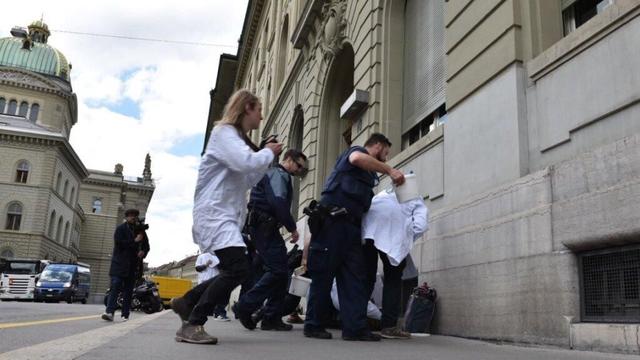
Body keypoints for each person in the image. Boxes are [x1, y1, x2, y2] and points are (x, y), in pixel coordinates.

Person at [169, 89, 283, 344]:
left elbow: (249, 177)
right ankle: (193, 323)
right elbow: (246, 163)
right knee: (238, 268)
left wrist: (264, 156)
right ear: (247, 108)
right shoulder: (224, 133)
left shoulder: (236, 141)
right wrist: (268, 153)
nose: (262, 117)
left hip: (223, 215)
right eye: (259, 110)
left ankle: (187, 302)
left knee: (235, 269)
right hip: (214, 213)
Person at [304, 133, 405, 341]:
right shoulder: (355, 153)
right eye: (385, 153)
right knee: (324, 275)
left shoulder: (368, 175)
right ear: (377, 146)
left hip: (351, 229)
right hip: (332, 223)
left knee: (355, 278)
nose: (385, 158)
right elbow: (357, 159)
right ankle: (313, 325)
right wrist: (389, 170)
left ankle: (354, 328)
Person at [233, 149, 308, 331]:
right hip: (264, 227)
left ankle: (271, 317)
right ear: (288, 159)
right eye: (298, 166)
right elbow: (278, 202)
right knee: (277, 270)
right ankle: (245, 306)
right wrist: (292, 227)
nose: (299, 171)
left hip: (265, 227)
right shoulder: (278, 174)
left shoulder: (275, 173)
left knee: (281, 272)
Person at [362, 190, 428, 339]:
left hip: (368, 233)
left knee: (367, 277)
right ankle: (389, 327)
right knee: (393, 279)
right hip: (392, 235)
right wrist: (408, 239)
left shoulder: (382, 194)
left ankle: (356, 322)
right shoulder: (416, 197)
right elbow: (421, 225)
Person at [102, 208, 149, 322]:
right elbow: (119, 244)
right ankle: (109, 312)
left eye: (135, 215)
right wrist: (135, 241)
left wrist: (143, 252)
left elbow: (147, 246)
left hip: (132, 265)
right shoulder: (120, 229)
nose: (133, 217)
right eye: (130, 215)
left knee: (128, 290)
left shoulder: (141, 231)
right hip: (119, 263)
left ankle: (125, 314)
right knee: (115, 285)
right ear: (126, 217)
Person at [194, 252, 229, 321]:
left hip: (216, 280)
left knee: (217, 297)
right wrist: (206, 264)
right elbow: (198, 268)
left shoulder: (219, 256)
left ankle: (217, 314)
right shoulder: (202, 256)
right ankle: (201, 312)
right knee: (205, 297)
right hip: (204, 280)